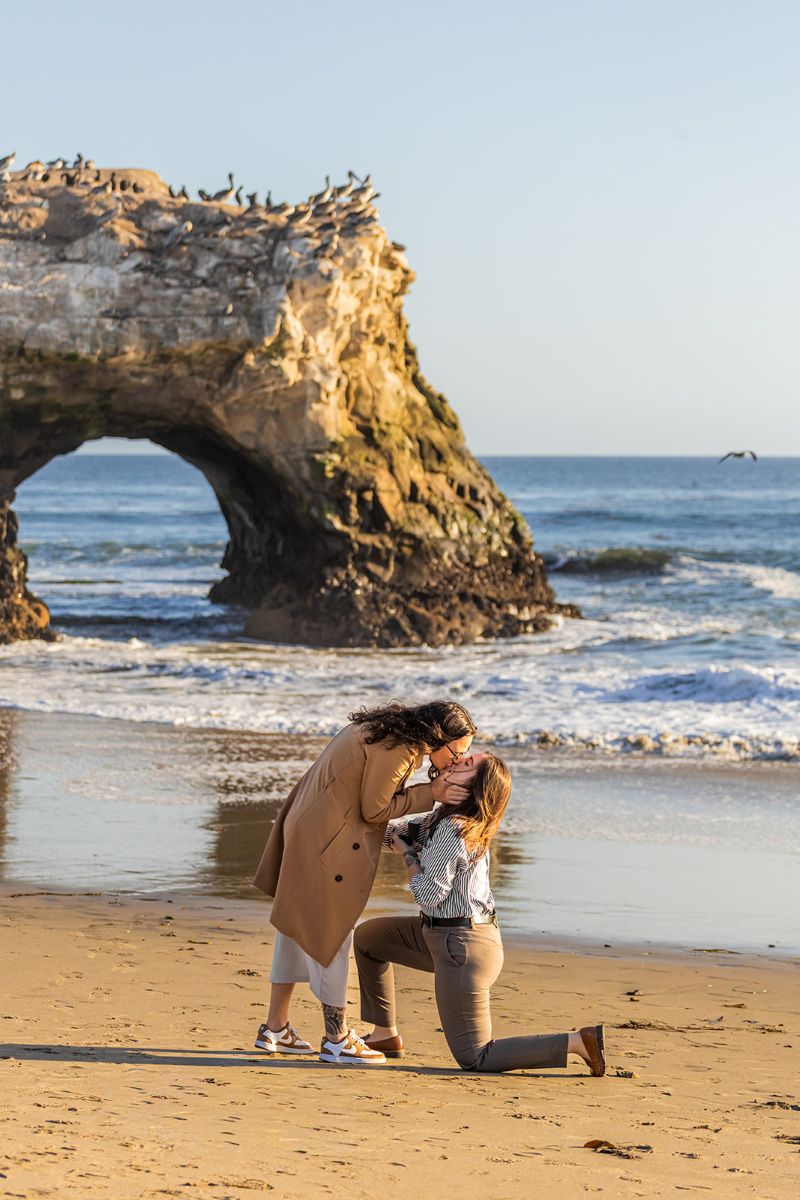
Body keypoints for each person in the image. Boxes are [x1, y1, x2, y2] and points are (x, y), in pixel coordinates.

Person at [251, 699, 477, 1066]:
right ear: (440, 736)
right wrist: (430, 795)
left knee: (296, 928)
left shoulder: (383, 732)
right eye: (458, 751)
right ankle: (336, 1039)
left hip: (310, 830)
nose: (456, 760)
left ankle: (275, 1028)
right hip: (327, 841)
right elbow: (375, 809)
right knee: (333, 933)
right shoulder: (399, 748)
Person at [354, 753, 606, 1075]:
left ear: (473, 787)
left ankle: (576, 1042)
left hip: (461, 948)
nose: (459, 760)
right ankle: (384, 1035)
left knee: (475, 1058)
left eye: (468, 763)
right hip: (444, 936)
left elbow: (429, 895)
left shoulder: (453, 829)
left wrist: (408, 857)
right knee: (368, 939)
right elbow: (391, 835)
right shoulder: (439, 820)